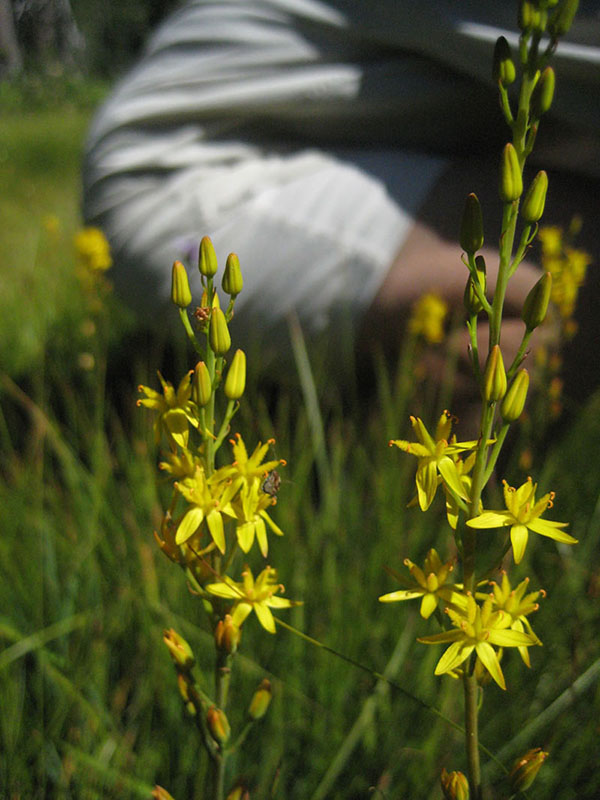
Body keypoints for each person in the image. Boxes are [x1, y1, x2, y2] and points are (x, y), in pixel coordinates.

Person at [82, 0, 600, 380]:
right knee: (575, 284)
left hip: (308, 140)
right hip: (184, 173)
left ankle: (345, 408)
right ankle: (411, 518)